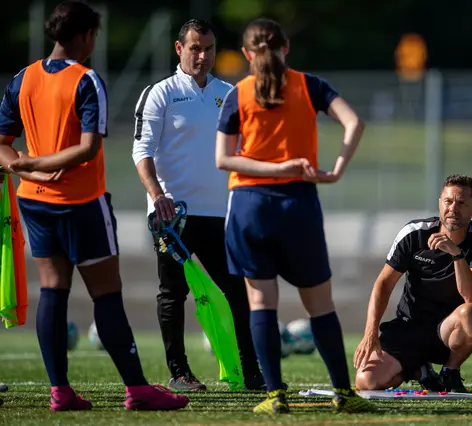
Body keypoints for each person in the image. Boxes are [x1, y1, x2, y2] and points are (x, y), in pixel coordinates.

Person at [0, 1, 188, 411]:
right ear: (85, 36)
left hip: (34, 202)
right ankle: (138, 390)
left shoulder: (22, 78)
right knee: (106, 295)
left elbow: (2, 145)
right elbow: (87, 149)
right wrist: (35, 165)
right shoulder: (87, 80)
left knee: (53, 291)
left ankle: (60, 392)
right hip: (81, 203)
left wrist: (26, 171)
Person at [216, 18, 375, 415]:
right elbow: (354, 122)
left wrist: (274, 168)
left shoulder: (239, 93)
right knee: (320, 305)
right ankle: (343, 393)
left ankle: (274, 395)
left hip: (249, 207)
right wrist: (334, 169)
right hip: (298, 205)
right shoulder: (310, 86)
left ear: (247, 55)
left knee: (260, 303)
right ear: (286, 48)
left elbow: (223, 159)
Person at [132, 18, 263, 392]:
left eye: (208, 48)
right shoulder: (160, 93)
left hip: (223, 215)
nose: (202, 55)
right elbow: (141, 150)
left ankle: (251, 371)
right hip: (173, 216)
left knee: (239, 291)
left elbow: (245, 151)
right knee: (173, 293)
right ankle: (180, 372)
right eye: (194, 48)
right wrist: (158, 196)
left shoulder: (230, 92)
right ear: (179, 49)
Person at [353, 174, 472, 393]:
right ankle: (420, 371)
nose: (453, 208)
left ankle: (450, 371)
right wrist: (370, 333)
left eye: (462, 203)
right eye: (448, 201)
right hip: (408, 327)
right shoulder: (414, 233)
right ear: (440, 203)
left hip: (447, 333)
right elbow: (384, 284)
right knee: (367, 382)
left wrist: (456, 255)